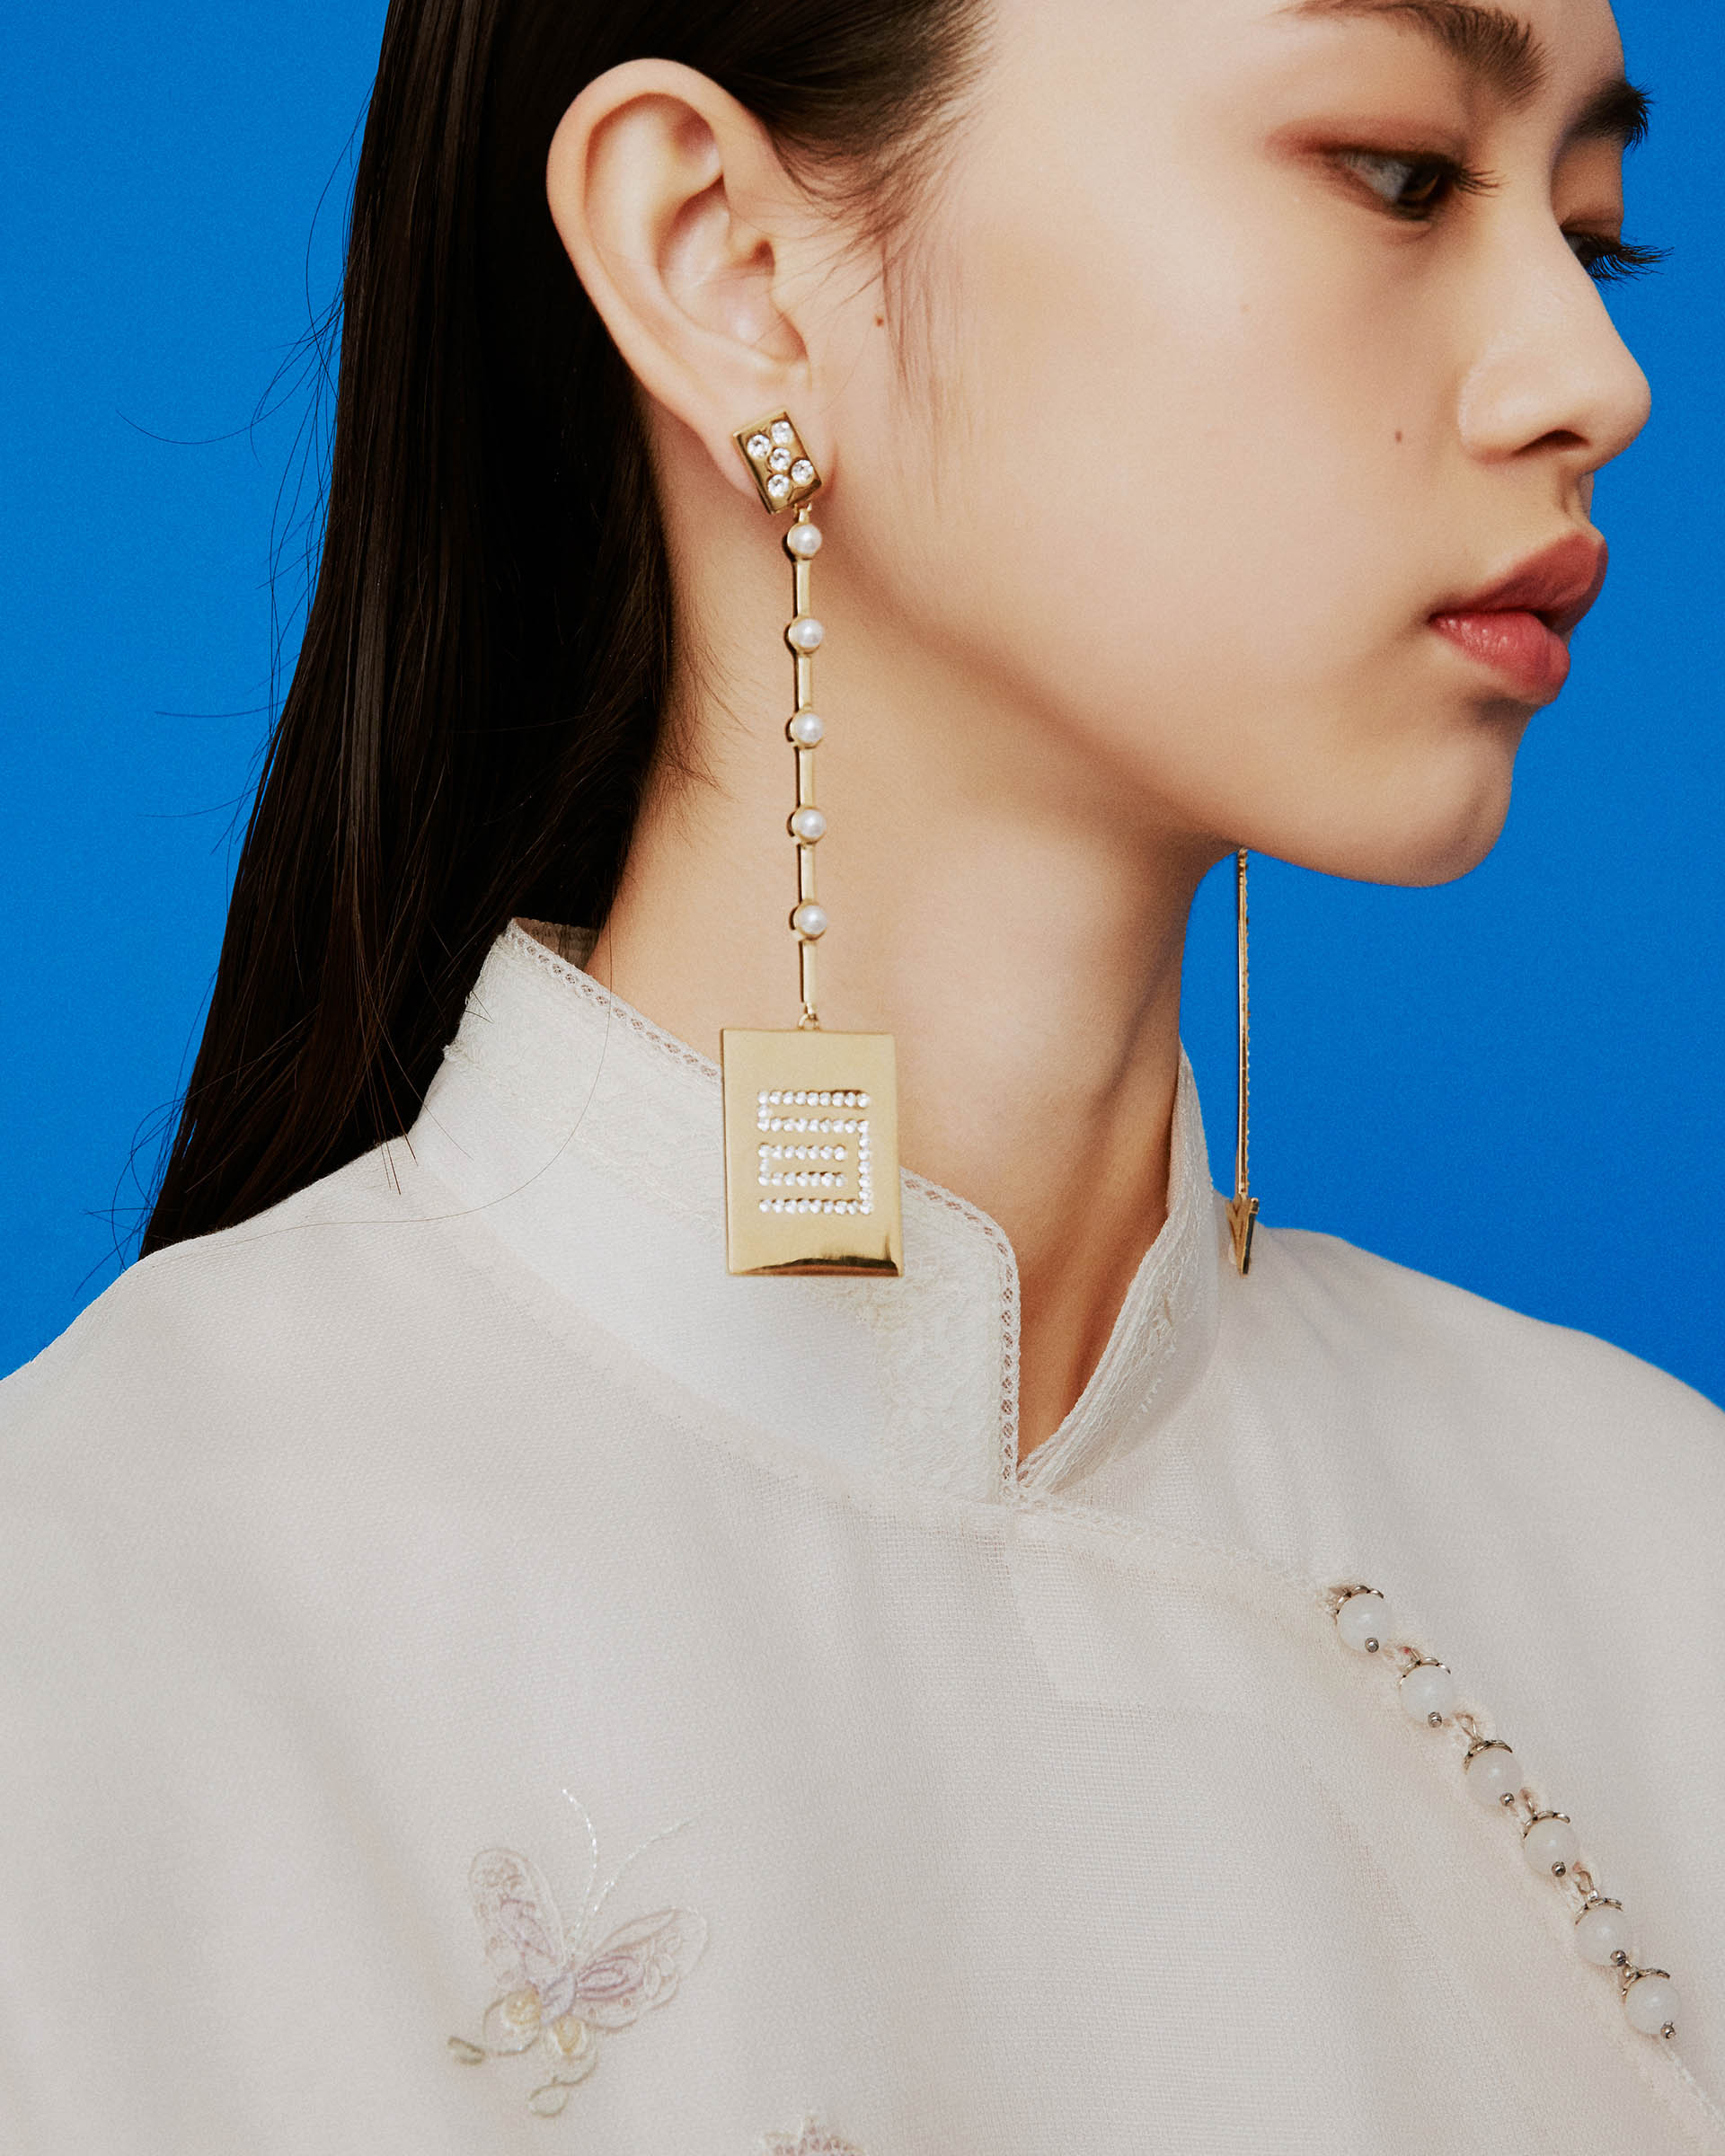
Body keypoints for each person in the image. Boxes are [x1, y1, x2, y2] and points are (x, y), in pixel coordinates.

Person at [3, 0, 1720, 2149]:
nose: (1595, 375)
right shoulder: (98, 1636)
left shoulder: (1663, 1566)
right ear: (725, 259)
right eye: (1400, 175)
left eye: (1592, 228)